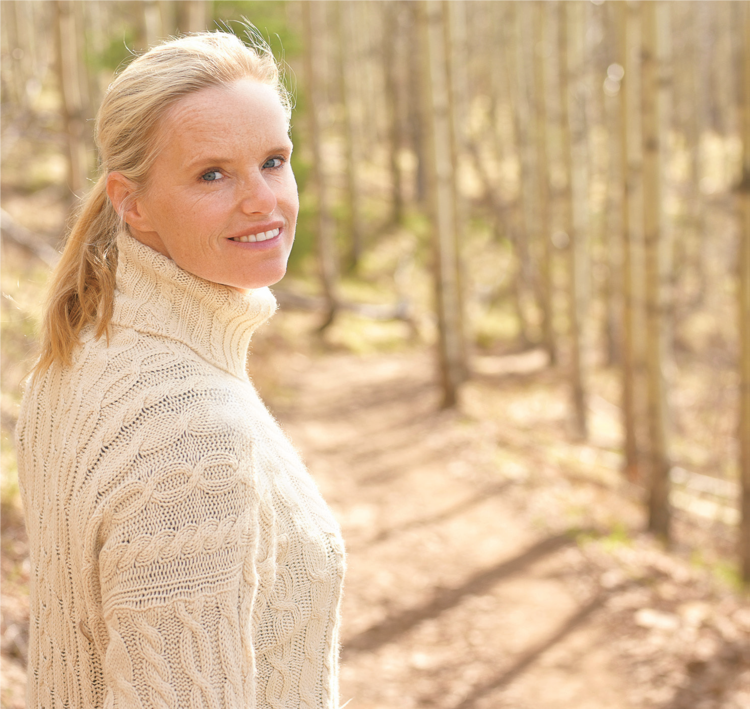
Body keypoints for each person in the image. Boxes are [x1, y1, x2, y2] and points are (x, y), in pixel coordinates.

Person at [15, 30, 346, 709]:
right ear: (131, 202)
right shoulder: (189, 428)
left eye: (274, 161)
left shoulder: (78, 355)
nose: (262, 200)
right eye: (212, 174)